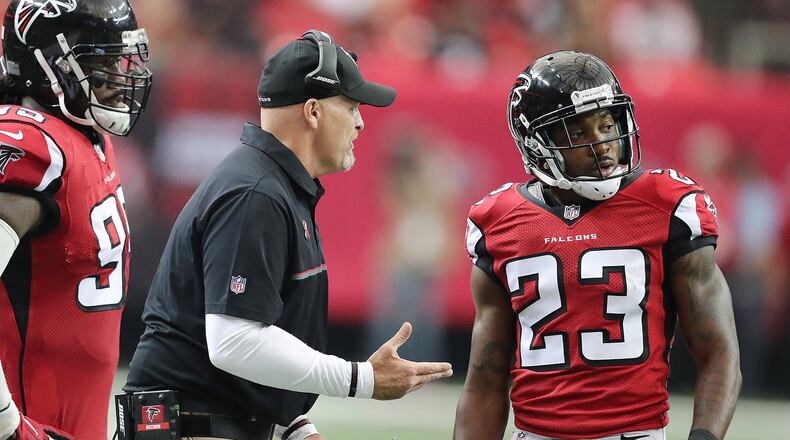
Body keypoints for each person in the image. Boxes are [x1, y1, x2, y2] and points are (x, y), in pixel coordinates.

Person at [124, 30, 453, 440]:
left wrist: (293, 424)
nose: (361, 121)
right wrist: (361, 379)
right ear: (313, 111)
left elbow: (257, 343)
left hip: (212, 422)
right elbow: (234, 341)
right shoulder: (256, 193)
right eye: (351, 106)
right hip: (187, 427)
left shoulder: (276, 186)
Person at [454, 51, 741, 440]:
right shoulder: (499, 221)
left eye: (607, 124)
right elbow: (485, 380)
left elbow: (720, 354)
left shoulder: (667, 205)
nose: (603, 143)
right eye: (578, 132)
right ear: (536, 142)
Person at [0, 0, 153, 439]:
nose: (122, 77)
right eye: (102, 63)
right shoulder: (32, 144)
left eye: (122, 58)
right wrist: (9, 425)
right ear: (48, 66)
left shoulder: (86, 139)